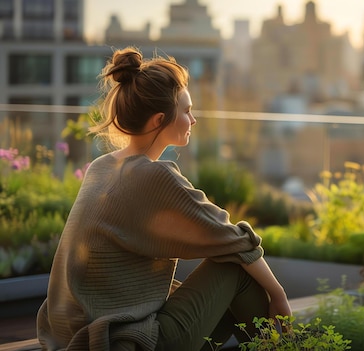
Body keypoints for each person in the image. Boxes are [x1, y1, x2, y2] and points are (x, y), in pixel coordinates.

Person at [37, 46, 292, 351]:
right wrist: (279, 296)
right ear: (159, 120)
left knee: (228, 283)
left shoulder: (101, 167)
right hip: (127, 341)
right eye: (186, 111)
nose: (193, 120)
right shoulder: (153, 176)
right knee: (237, 270)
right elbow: (236, 240)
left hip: (78, 336)